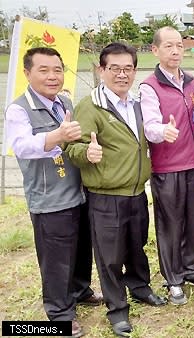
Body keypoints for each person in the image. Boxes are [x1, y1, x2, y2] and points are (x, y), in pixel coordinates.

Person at [65, 42, 167, 337]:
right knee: (110, 256)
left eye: (128, 68)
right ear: (102, 70)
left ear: (134, 70)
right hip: (106, 195)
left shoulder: (135, 104)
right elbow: (72, 147)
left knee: (136, 247)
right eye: (115, 68)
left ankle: (140, 288)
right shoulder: (91, 105)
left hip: (136, 191)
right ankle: (117, 309)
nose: (122, 75)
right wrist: (87, 154)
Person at [5, 47, 102, 338]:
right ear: (27, 73)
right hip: (49, 199)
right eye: (43, 70)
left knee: (82, 249)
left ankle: (81, 289)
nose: (52, 76)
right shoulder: (19, 109)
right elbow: (20, 146)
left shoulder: (64, 101)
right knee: (56, 259)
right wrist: (58, 135)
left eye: (57, 70)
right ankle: (60, 315)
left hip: (77, 192)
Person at [140, 26, 194, 306]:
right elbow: (150, 125)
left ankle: (191, 269)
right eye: (168, 46)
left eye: (179, 46)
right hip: (168, 167)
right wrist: (162, 132)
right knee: (171, 224)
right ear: (156, 50)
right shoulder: (150, 86)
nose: (175, 51)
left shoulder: (193, 82)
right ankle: (173, 278)